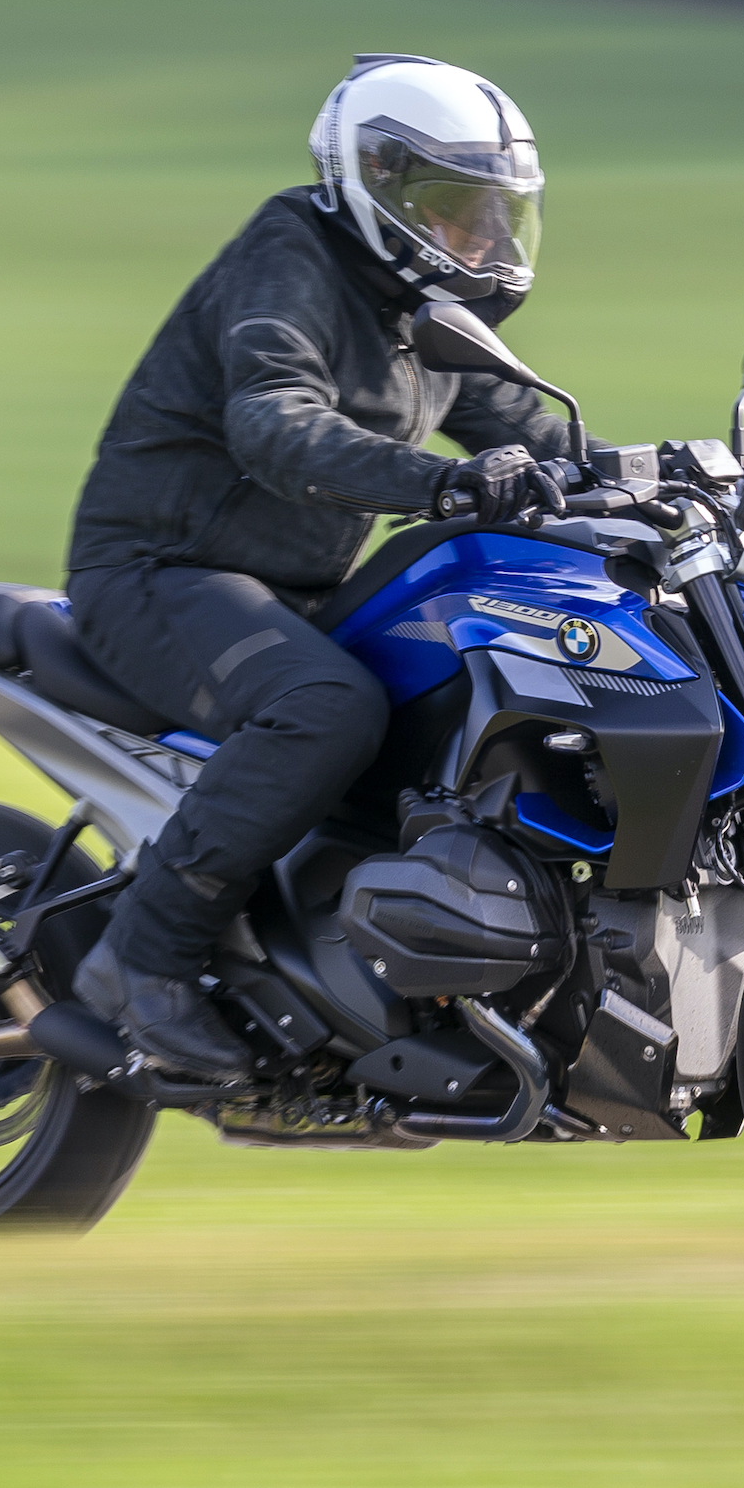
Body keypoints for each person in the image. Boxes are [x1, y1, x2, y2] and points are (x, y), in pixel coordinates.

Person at [64, 55, 584, 1074]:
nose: (485, 235)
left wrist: (687, 471)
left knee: (450, 690)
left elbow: (535, 436)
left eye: (499, 210)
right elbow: (273, 418)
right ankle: (142, 955)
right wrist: (440, 483)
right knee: (327, 709)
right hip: (162, 569)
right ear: (378, 180)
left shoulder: (425, 307)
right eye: (459, 207)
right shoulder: (291, 256)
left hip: (294, 588)